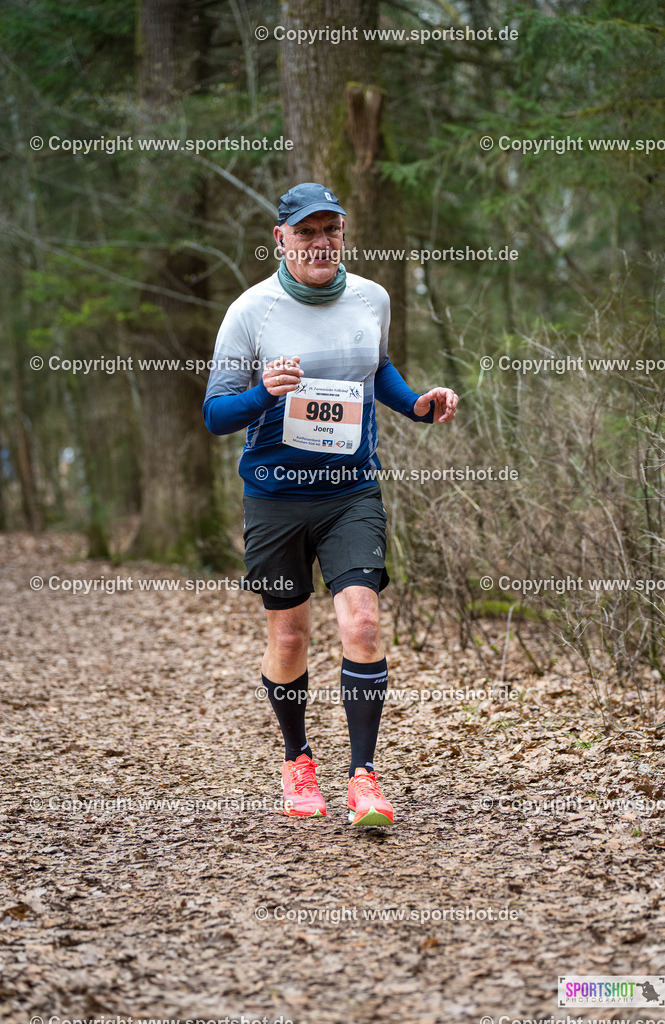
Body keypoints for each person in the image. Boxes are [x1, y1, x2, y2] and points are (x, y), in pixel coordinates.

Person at [203, 182, 457, 826]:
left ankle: (364, 777)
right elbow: (214, 415)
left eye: (331, 231)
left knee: (362, 625)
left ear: (342, 234)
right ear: (281, 238)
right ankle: (298, 762)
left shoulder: (372, 297)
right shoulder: (249, 311)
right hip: (276, 496)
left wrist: (419, 406)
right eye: (307, 232)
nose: (321, 243)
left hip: (351, 492)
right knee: (289, 636)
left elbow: (378, 370)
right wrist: (263, 392)